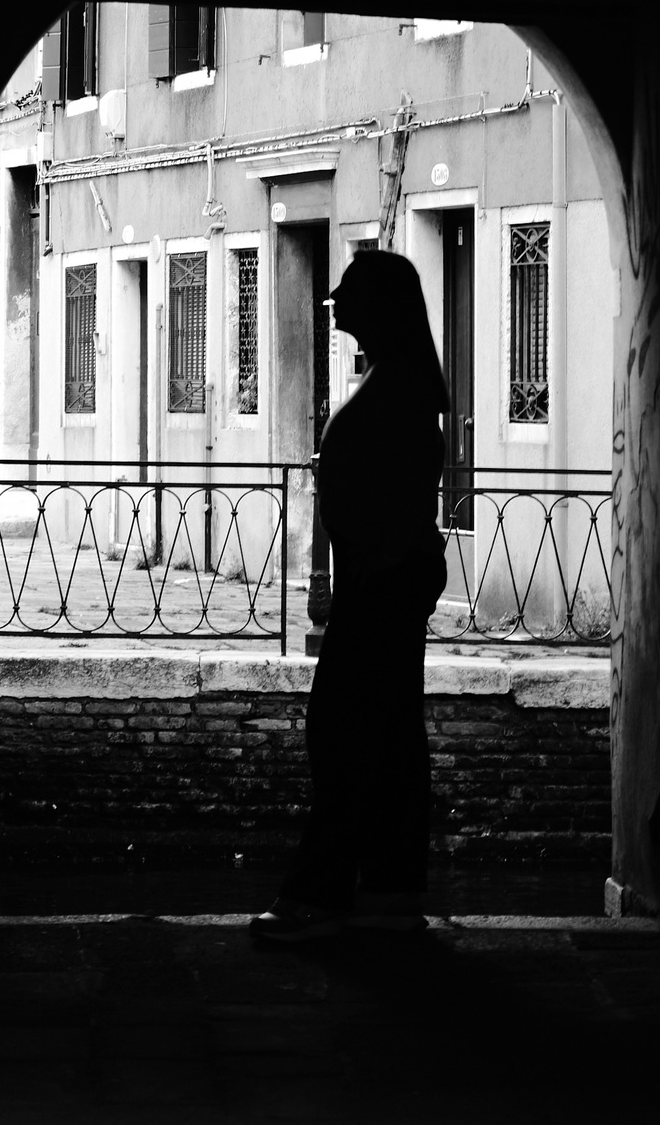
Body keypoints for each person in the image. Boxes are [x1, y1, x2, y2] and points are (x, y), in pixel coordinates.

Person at [252, 248, 449, 942]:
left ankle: (323, 891)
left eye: (350, 297)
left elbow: (388, 492)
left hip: (385, 577)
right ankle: (390, 885)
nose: (335, 304)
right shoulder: (396, 377)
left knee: (343, 731)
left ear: (383, 307)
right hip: (385, 574)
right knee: (385, 733)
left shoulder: (400, 384)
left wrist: (363, 566)